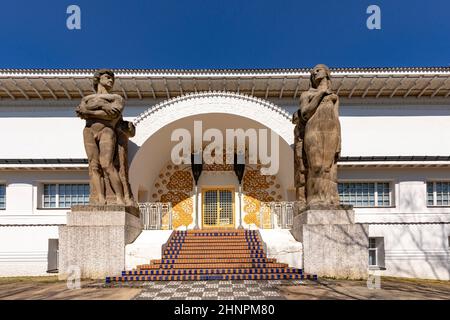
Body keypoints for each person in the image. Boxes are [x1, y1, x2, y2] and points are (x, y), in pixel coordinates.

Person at [75, 69, 125, 205]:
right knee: (94, 166)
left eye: (112, 79)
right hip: (89, 130)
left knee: (107, 165)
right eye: (107, 77)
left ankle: (120, 198)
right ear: (98, 79)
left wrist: (92, 110)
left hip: (106, 130)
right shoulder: (86, 98)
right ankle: (101, 198)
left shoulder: (116, 98)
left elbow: (112, 115)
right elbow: (82, 113)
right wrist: (103, 106)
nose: (111, 80)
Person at [299, 64, 341, 206]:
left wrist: (339, 141)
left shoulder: (334, 97)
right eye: (313, 72)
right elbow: (305, 114)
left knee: (328, 167)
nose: (315, 72)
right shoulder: (307, 95)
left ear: (326, 73)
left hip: (331, 131)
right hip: (313, 130)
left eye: (318, 70)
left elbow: (336, 118)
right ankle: (314, 198)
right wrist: (320, 95)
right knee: (315, 165)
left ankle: (329, 198)